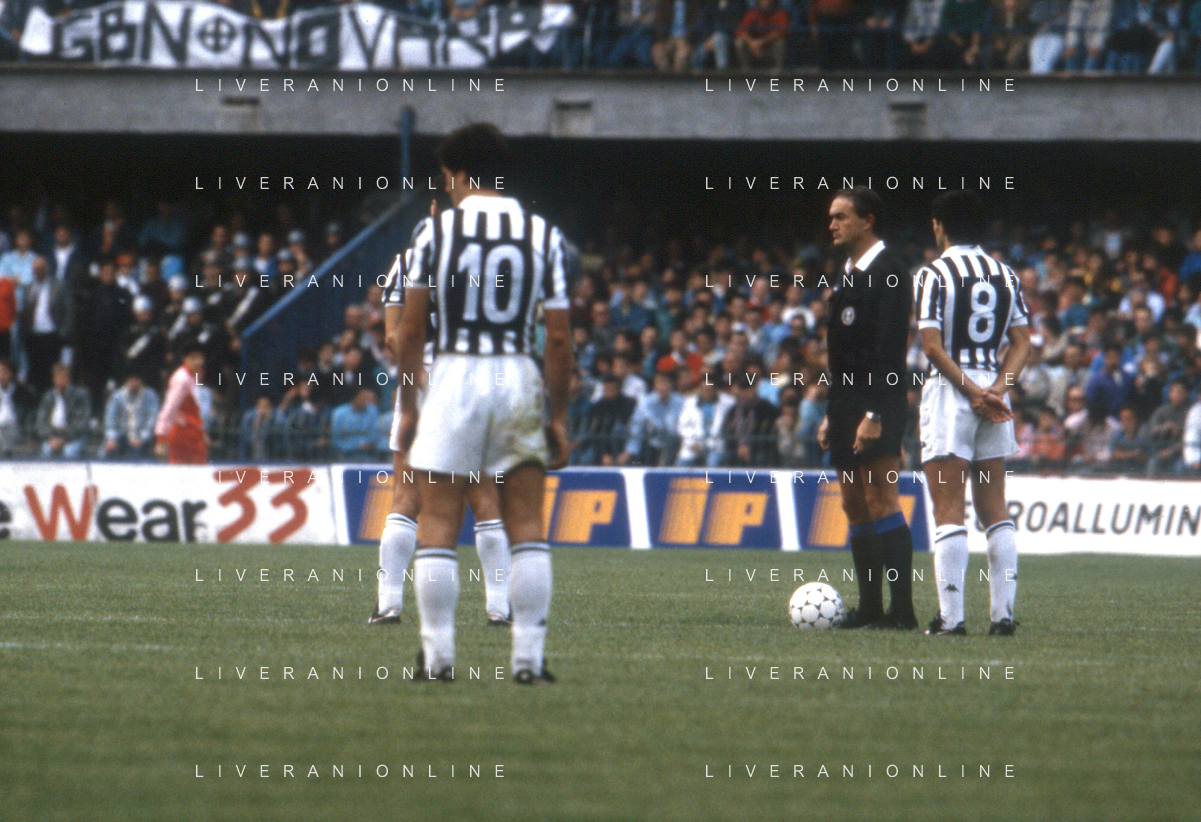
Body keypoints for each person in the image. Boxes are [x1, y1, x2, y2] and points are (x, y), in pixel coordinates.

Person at [392, 123, 573, 684]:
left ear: (459, 174)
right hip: (516, 374)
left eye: (447, 178)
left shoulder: (435, 233)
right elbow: (559, 339)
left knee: (438, 521)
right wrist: (559, 414)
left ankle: (438, 658)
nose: (446, 188)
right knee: (526, 524)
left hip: (453, 375)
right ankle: (528, 660)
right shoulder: (542, 234)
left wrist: (410, 403)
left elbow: (409, 333)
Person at [370, 224, 518, 628]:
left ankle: (388, 605)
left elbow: (393, 337)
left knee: (406, 497)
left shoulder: (404, 263)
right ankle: (500, 608)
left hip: (416, 384)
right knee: (484, 498)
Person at [914, 190, 1031, 637]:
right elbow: (1023, 342)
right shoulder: (1004, 273)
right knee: (994, 506)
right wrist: (998, 389)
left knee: (948, 507)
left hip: (952, 390)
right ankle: (1003, 617)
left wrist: (972, 391)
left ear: (939, 226)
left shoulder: (933, 273)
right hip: (994, 392)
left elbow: (932, 347)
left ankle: (952, 619)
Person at [816, 188, 918, 631]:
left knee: (881, 499)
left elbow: (891, 351)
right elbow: (840, 354)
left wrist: (874, 414)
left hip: (879, 400)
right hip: (845, 402)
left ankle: (903, 612)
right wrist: (831, 411)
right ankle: (871, 608)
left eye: (841, 216)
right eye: (831, 217)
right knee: (853, 504)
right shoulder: (848, 273)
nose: (832, 224)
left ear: (868, 220)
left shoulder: (890, 271)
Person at [155, 345, 208, 464]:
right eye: (194, 358)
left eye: (200, 358)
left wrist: (202, 431)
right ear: (185, 359)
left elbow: (196, 407)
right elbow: (169, 409)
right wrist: (160, 439)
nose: (198, 361)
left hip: (194, 432)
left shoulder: (197, 375)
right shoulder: (181, 379)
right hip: (182, 434)